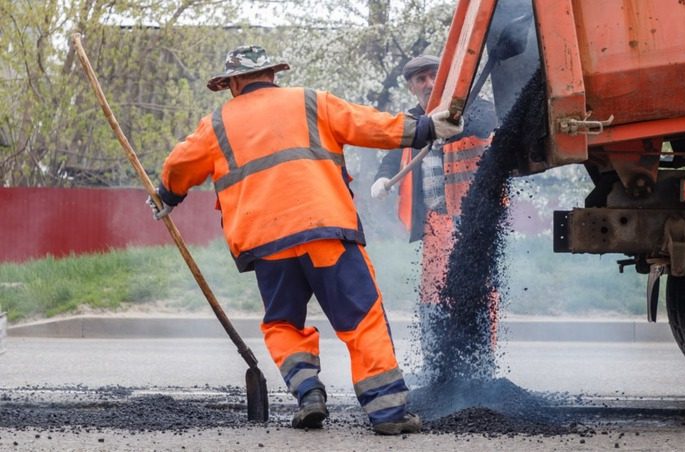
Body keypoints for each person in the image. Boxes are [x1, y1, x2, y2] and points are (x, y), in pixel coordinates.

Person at [146, 45, 462, 435]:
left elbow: (180, 165)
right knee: (362, 318)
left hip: (266, 244)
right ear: (272, 75)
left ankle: (308, 393)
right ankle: (388, 412)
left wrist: (167, 194)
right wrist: (426, 128)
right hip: (324, 230)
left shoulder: (216, 124)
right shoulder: (311, 101)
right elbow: (368, 124)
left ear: (232, 84)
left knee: (283, 322)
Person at [370, 55, 498, 342]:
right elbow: (393, 154)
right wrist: (382, 178)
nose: (429, 83)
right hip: (435, 223)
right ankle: (436, 356)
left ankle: (481, 357)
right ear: (411, 87)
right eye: (421, 79)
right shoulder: (412, 122)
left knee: (480, 291)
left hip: (473, 221)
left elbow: (489, 122)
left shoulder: (472, 107)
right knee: (434, 294)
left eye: (433, 76)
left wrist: (456, 121)